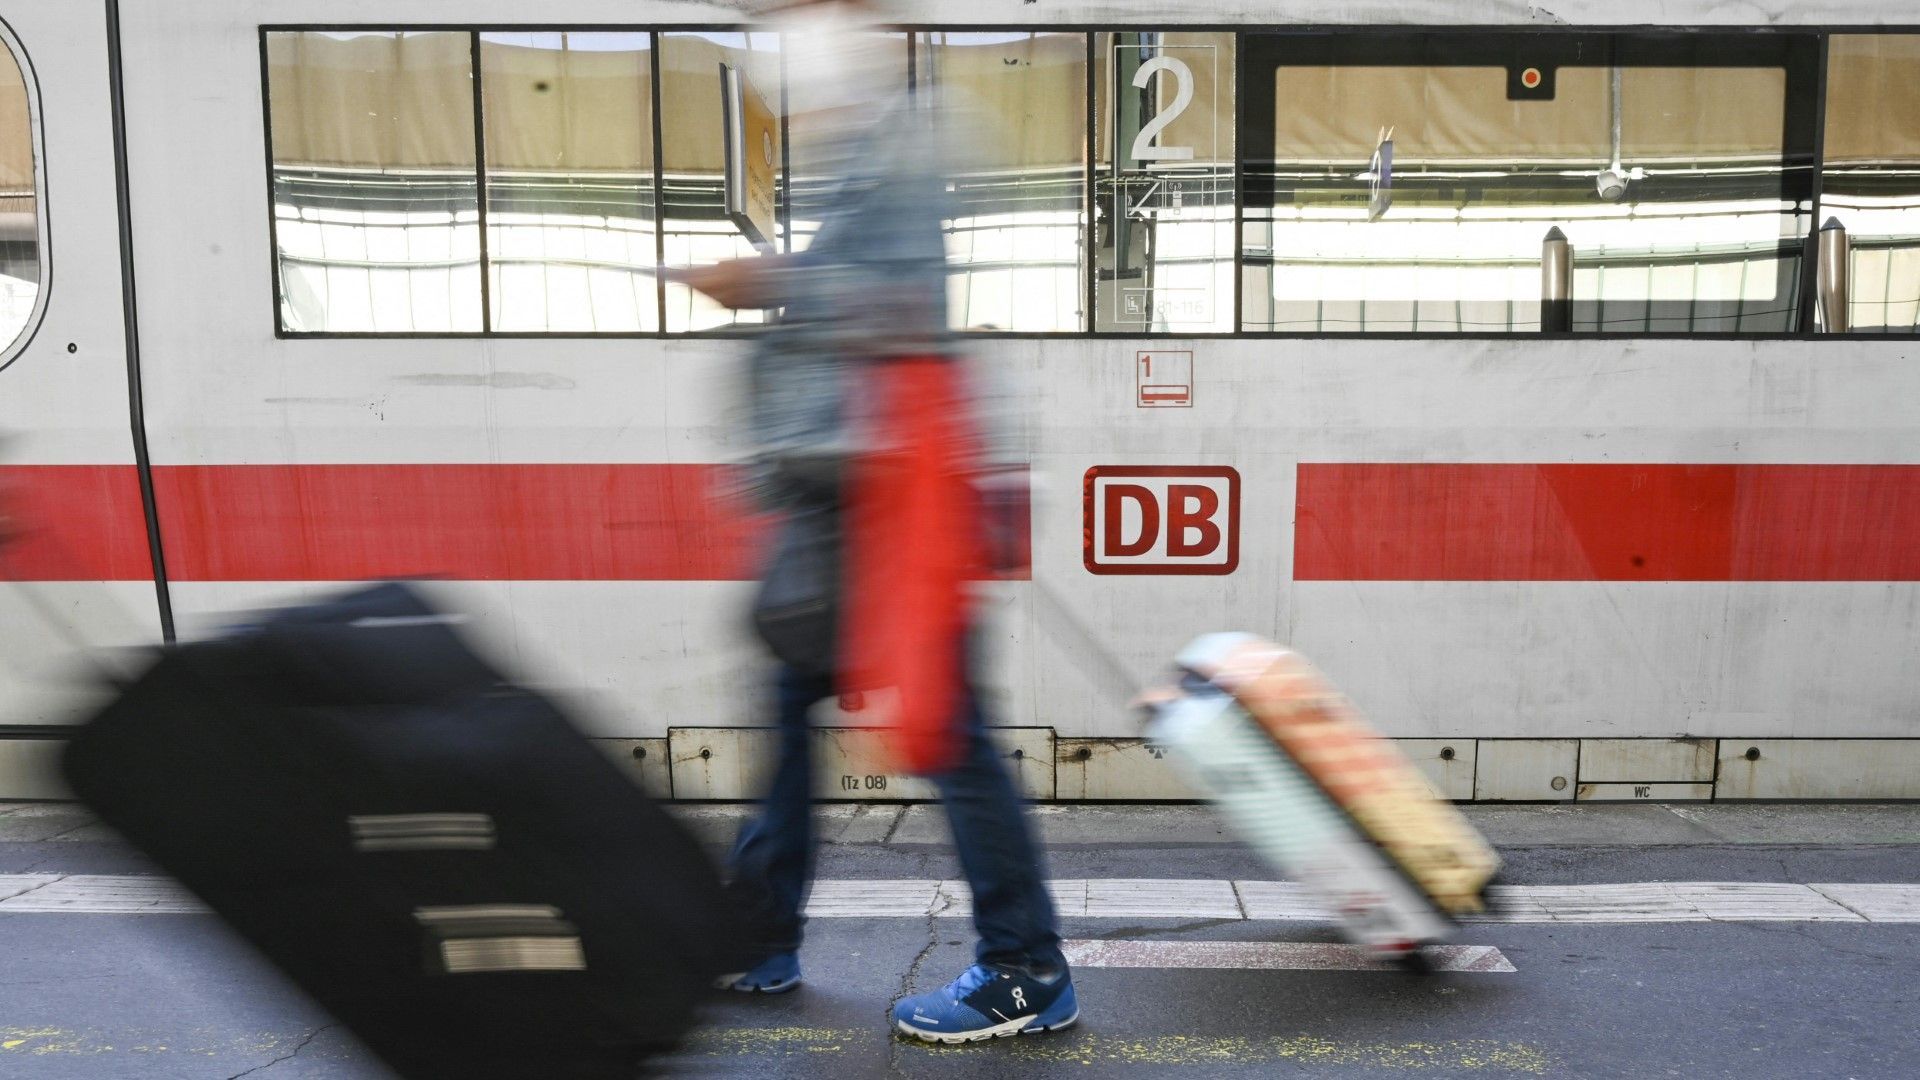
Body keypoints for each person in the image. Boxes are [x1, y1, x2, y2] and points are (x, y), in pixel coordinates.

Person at [673, 0, 1077, 1044]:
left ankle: (1025, 968)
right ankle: (761, 936)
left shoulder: (899, 147)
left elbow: (900, 310)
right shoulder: (872, 145)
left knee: (949, 735)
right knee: (792, 707)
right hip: (839, 501)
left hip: (884, 506)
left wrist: (760, 278)